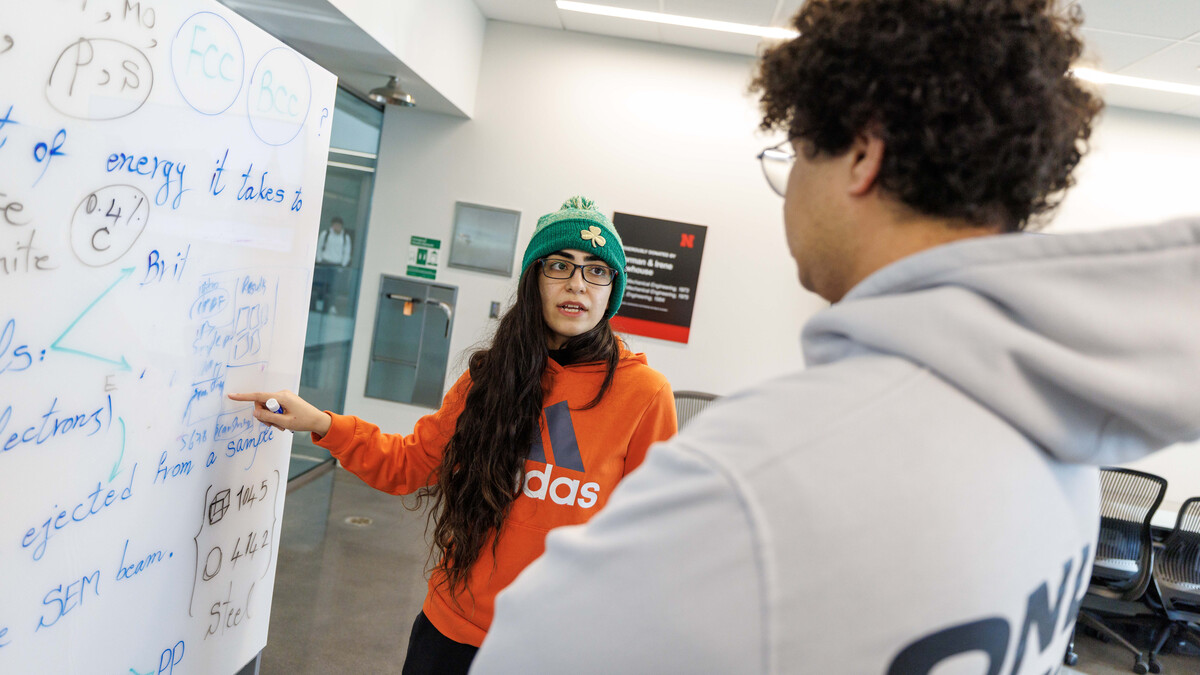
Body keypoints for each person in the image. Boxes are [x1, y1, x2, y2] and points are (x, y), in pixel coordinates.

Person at [472, 2, 1200, 673]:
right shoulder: (1068, 449)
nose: (787, 189)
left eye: (794, 153)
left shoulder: (750, 481)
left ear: (861, 154)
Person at [231, 196, 677, 674]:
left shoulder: (644, 395)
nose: (577, 284)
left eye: (597, 271)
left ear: (613, 290)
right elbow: (409, 464)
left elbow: (654, 538)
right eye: (559, 265)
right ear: (533, 281)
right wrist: (321, 423)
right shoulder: (490, 379)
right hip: (451, 632)